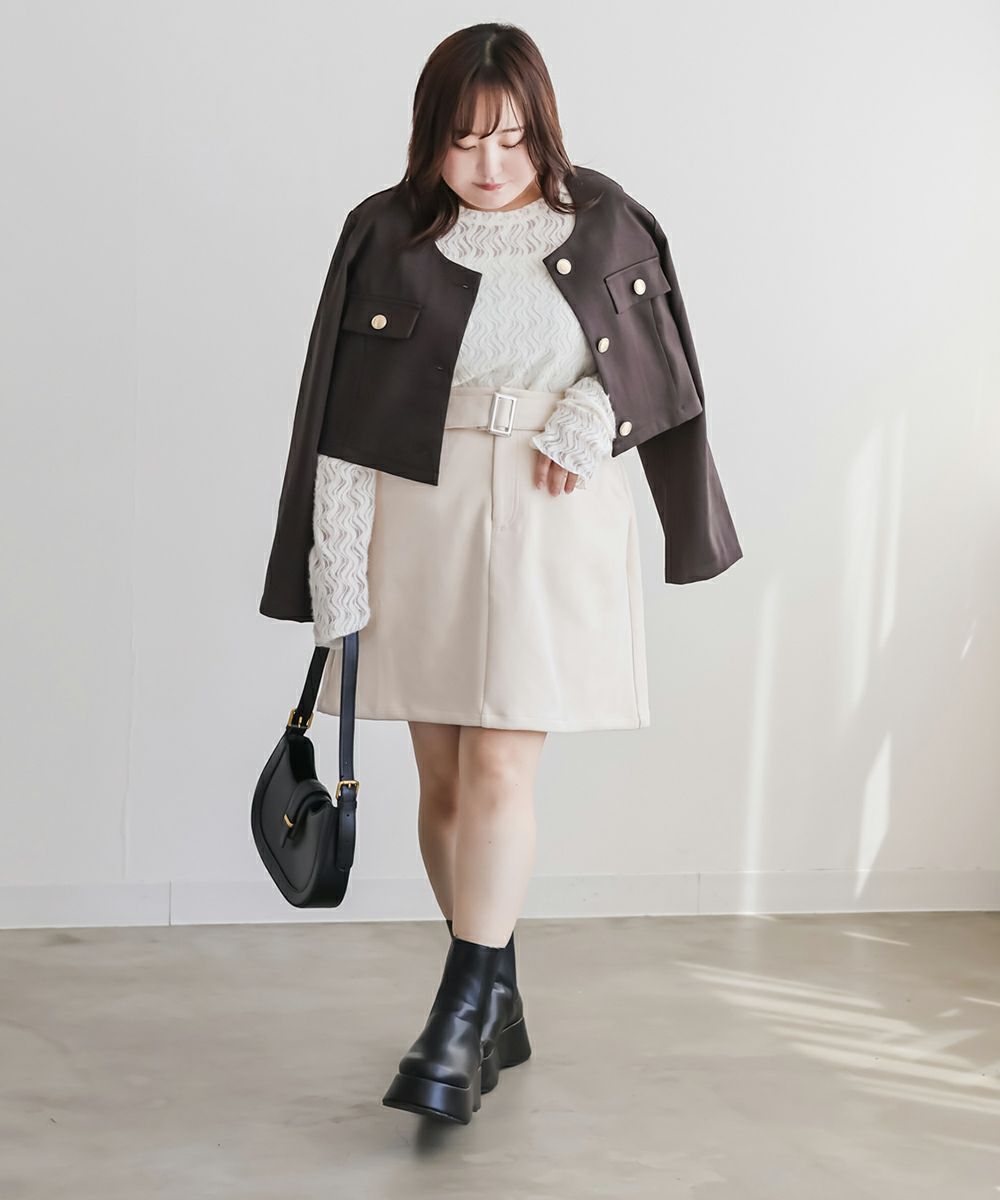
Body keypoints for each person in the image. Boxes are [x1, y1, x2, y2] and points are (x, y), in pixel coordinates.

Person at [261, 22, 741, 1124]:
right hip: (416, 515)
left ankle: (456, 1015)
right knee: (439, 782)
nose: (488, 164)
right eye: (465, 139)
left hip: (548, 511)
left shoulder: (606, 221)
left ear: (545, 130)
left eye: (513, 138)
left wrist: (591, 413)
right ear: (429, 136)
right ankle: (498, 995)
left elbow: (659, 367)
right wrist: (337, 564)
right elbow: (339, 415)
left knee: (496, 771)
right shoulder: (382, 233)